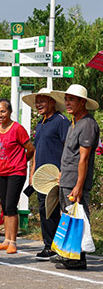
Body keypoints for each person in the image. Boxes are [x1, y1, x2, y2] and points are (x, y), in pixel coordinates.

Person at [53, 84, 99, 270]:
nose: (68, 103)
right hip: (67, 178)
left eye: (72, 99)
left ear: (83, 102)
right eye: (66, 99)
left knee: (78, 217)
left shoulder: (88, 124)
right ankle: (69, 254)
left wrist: (79, 185)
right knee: (68, 217)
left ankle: (78, 258)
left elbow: (84, 158)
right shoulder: (74, 123)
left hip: (76, 181)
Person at [21, 88, 69, 260]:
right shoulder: (40, 124)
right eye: (37, 101)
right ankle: (49, 245)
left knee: (56, 210)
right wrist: (32, 172)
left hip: (56, 175)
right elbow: (36, 150)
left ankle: (57, 246)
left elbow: (68, 148)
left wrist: (64, 171)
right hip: (41, 176)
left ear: (52, 102)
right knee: (44, 210)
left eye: (42, 101)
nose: (38, 105)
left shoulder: (61, 121)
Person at [0, 99, 35, 255]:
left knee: (11, 205)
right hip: (1, 172)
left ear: (10, 112)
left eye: (3, 111)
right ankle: (6, 240)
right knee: (5, 206)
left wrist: (21, 161)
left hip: (16, 172)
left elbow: (31, 149)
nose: (0, 115)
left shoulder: (17, 129)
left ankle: (13, 241)